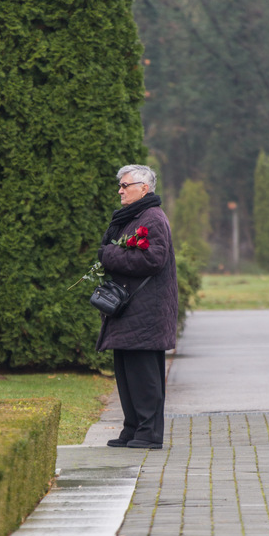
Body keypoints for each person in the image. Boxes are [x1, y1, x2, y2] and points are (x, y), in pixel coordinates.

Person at [96, 164, 178, 449]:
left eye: (125, 185)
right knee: (127, 374)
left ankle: (149, 434)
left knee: (144, 377)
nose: (120, 190)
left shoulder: (152, 217)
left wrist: (109, 256)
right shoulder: (134, 216)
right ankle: (132, 429)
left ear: (144, 188)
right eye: (120, 185)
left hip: (146, 313)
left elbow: (153, 259)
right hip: (131, 311)